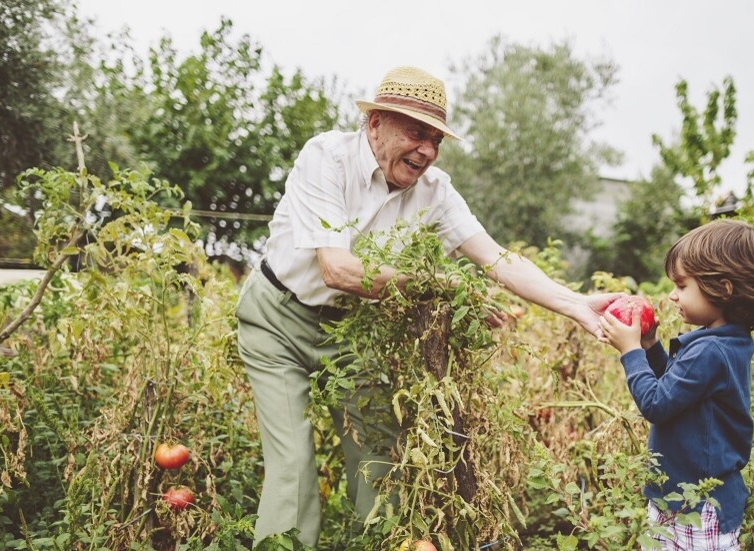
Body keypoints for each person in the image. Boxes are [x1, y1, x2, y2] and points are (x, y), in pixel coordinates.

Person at [235, 65, 623, 546]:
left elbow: (497, 258)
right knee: (292, 466)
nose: (427, 150)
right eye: (416, 133)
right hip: (277, 319)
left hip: (355, 331)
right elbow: (337, 269)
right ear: (375, 122)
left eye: (435, 138)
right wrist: (441, 285)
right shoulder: (326, 158)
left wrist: (576, 303)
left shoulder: (435, 191)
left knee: (380, 462)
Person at [599, 219, 754, 550]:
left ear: (724, 289)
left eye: (682, 286)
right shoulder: (722, 342)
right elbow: (676, 389)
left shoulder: (711, 349)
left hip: (697, 505)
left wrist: (630, 351)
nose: (672, 295)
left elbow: (657, 404)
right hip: (681, 497)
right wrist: (650, 345)